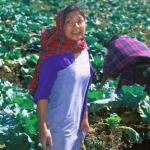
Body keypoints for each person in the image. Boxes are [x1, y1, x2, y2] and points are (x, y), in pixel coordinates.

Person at [28, 4, 93, 150]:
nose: (75, 26)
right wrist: (43, 128)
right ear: (61, 26)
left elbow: (84, 89)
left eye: (79, 21)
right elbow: (42, 95)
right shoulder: (54, 57)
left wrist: (85, 117)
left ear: (85, 23)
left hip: (76, 124)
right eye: (69, 22)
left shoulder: (84, 51)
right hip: (56, 126)